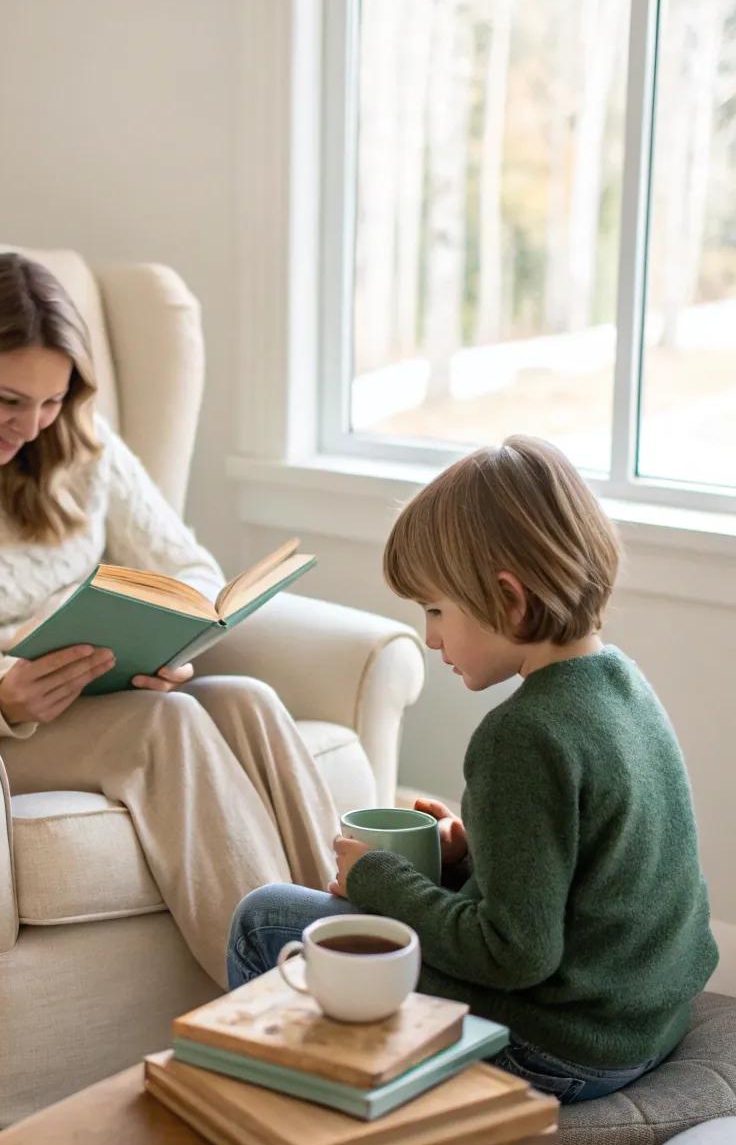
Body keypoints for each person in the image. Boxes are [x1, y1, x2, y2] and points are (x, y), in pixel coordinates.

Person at [0, 252, 337, 983]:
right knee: (169, 726)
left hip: (95, 693)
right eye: (9, 399)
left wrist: (177, 639)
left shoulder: (79, 448)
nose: (30, 425)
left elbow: (189, 568)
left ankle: (350, 950)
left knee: (248, 701)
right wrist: (1, 696)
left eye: (51, 401)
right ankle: (279, 996)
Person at [227, 435, 718, 1102]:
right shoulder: (621, 684)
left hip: (561, 1045)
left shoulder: (522, 735)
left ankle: (280, 1126)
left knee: (265, 919)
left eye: (435, 610)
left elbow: (514, 953)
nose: (430, 638)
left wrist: (378, 879)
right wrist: (469, 861)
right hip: (645, 1022)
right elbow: (587, 880)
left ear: (509, 600)